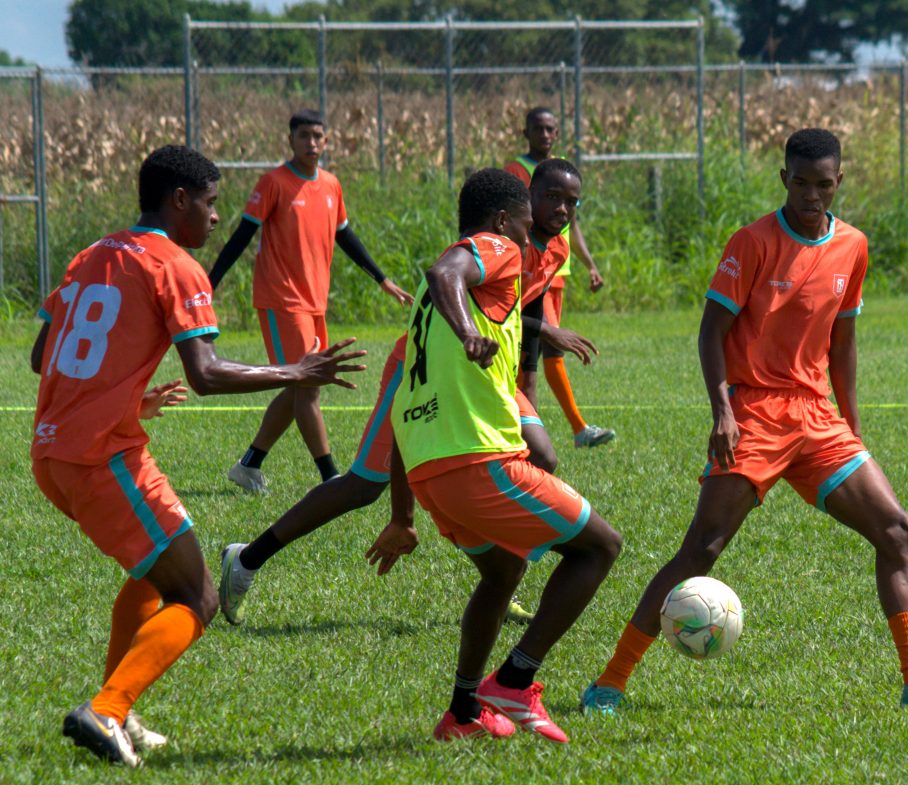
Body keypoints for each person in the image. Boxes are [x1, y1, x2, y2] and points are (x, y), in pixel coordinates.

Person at [583, 128, 908, 715]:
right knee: (702, 548)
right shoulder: (751, 242)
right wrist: (722, 409)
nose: (811, 195)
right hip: (752, 412)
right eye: (800, 183)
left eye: (823, 185)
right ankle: (610, 682)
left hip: (817, 416)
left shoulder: (853, 245)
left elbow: (844, 340)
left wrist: (851, 425)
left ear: (838, 182)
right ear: (784, 179)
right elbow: (711, 331)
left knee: (897, 532)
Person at [32, 145, 366, 767]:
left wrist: (125, 396)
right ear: (179, 200)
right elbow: (207, 373)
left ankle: (119, 712)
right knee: (197, 597)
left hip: (53, 453)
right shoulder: (175, 265)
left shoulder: (89, 256)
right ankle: (106, 710)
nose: (217, 217)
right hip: (102, 457)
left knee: (152, 569)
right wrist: (294, 370)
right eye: (210, 203)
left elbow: (40, 356)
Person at [217, 159, 596, 629]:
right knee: (363, 486)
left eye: (571, 202)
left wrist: (533, 337)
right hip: (426, 365)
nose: (561, 209)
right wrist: (490, 334)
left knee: (541, 455)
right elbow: (449, 281)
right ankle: (248, 557)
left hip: (482, 369)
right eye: (551, 197)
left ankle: (500, 579)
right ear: (525, 200)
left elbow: (507, 310)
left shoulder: (551, 249)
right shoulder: (495, 243)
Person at [378, 168, 622, 743]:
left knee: (503, 570)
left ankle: (463, 713)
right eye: (525, 222)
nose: (530, 231)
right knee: (599, 548)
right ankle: (516, 680)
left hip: (428, 470)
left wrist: (402, 515)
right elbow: (447, 270)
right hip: (480, 463)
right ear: (503, 221)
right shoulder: (496, 249)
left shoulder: (425, 308)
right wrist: (469, 331)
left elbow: (400, 405)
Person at [207, 109, 412, 495]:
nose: (311, 143)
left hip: (314, 303)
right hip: (281, 299)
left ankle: (249, 465)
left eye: (318, 136)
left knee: (298, 386)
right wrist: (210, 283)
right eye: (304, 136)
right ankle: (331, 477)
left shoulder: (332, 184)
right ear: (291, 140)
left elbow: (346, 238)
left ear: (327, 141)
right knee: (309, 387)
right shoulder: (273, 183)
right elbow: (240, 236)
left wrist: (382, 279)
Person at [505, 106, 615, 449]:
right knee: (552, 344)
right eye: (539, 129)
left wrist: (591, 264)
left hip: (551, 277)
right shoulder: (511, 241)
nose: (546, 135)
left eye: (552, 129)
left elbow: (573, 228)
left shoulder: (558, 246)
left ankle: (535, 426)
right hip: (504, 305)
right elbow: (496, 313)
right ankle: (576, 427)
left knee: (538, 350)